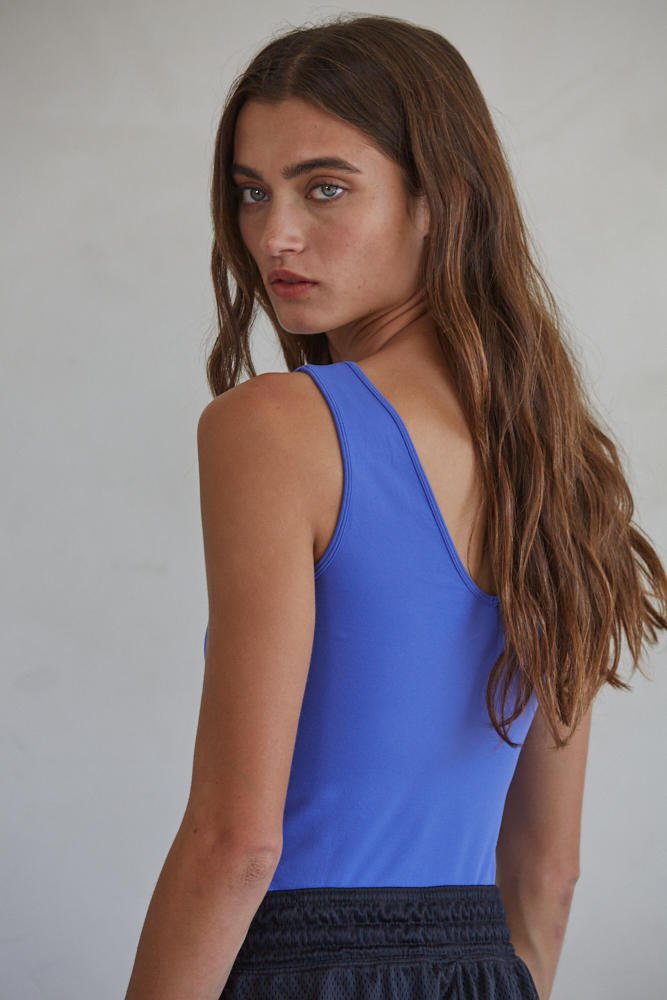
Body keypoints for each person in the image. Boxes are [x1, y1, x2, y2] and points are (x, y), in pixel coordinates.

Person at [124, 13, 667, 1000]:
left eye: (324, 187)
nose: (274, 235)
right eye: (252, 191)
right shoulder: (559, 467)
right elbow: (548, 873)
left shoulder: (276, 428)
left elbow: (236, 844)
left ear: (439, 200)